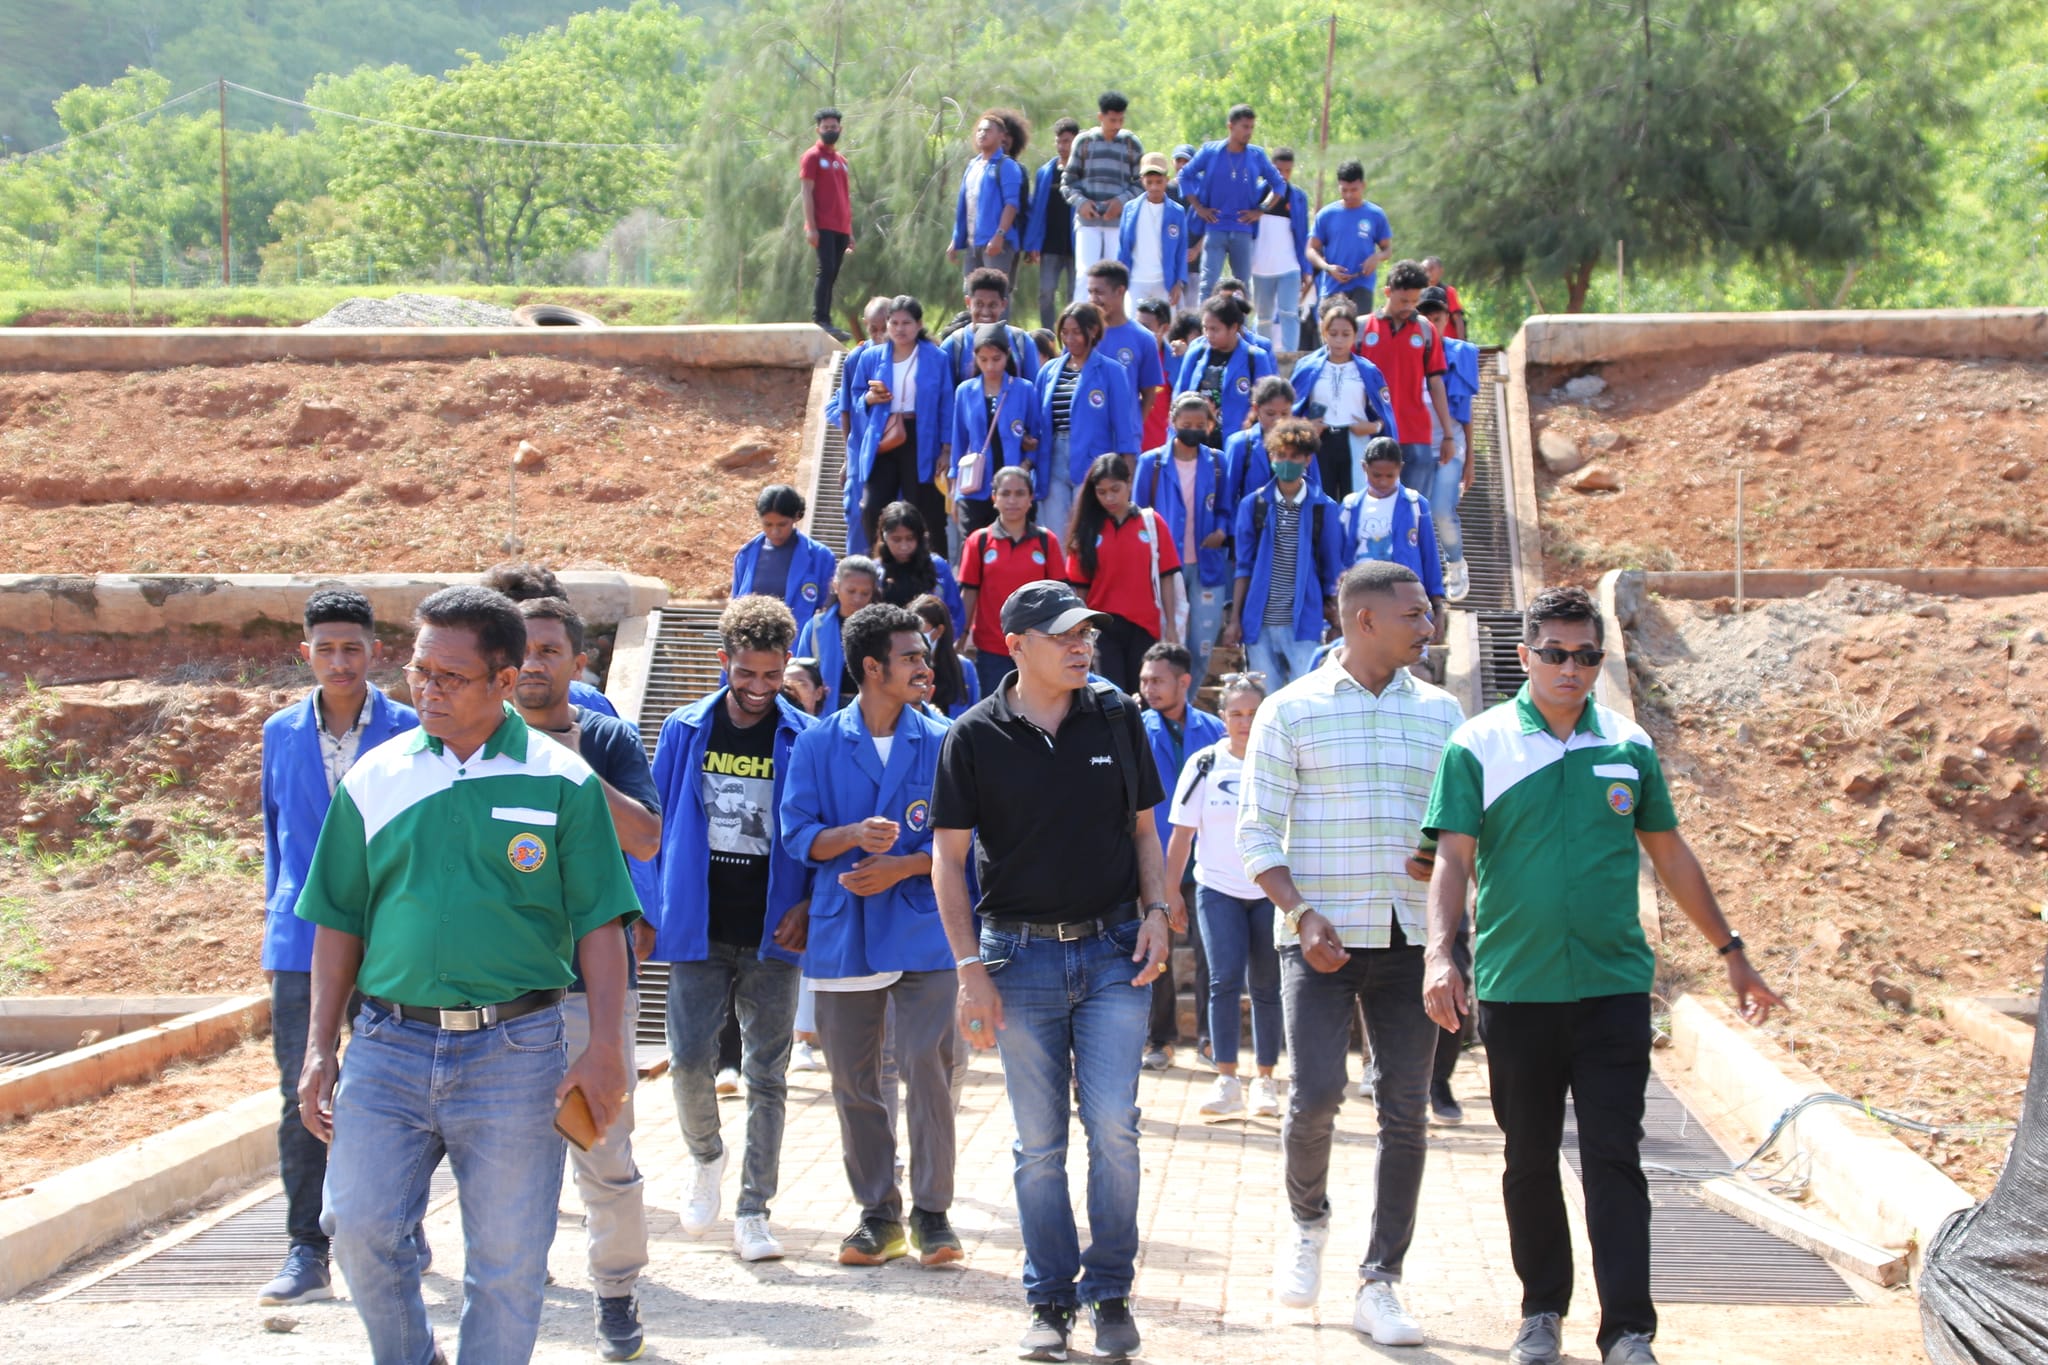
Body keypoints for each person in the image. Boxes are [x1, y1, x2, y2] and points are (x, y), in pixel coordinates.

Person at [1421, 587, 1785, 1365]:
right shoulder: (1478, 744)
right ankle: (1541, 1310)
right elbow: (1452, 858)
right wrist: (1439, 953)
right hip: (1517, 988)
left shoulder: (1628, 746)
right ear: (1524, 655)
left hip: (1614, 988)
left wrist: (1731, 950)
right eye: (1555, 652)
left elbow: (1671, 854)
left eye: (1587, 655)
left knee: (1615, 1158)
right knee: (1528, 1158)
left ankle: (1627, 1328)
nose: (1572, 668)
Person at [295, 586, 638, 1365]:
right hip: (387, 1046)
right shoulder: (374, 780)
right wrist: (320, 1045)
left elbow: (600, 926)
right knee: (358, 1226)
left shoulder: (565, 781)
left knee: (510, 1262)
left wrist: (606, 1048)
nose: (428, 689)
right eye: (420, 671)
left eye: (451, 676)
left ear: (506, 681)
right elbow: (338, 920)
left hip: (517, 1052)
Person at [931, 580, 1172, 1364]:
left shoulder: (1116, 715)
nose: (1083, 645)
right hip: (1017, 957)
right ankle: (1048, 1297)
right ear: (1019, 644)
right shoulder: (972, 735)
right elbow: (948, 857)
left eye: (1088, 633)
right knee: (1038, 1143)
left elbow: (1145, 828)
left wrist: (1160, 912)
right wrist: (970, 966)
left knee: (1114, 1129)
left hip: (1112, 951)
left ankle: (1111, 1292)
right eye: (1066, 633)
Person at [1237, 559, 1462, 1349]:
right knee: (1317, 1094)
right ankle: (1307, 1222)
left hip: (1410, 944)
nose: (1428, 626)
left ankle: (1381, 1279)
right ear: (1363, 620)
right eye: (1415, 614)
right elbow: (1256, 831)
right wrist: (1299, 913)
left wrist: (1445, 866)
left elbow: (1458, 829)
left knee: (1406, 1110)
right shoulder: (1289, 711)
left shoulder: (1442, 713)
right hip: (1318, 940)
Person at [780, 602, 965, 1268]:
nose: (925, 664)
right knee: (854, 1081)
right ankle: (878, 1214)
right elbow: (797, 835)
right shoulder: (818, 743)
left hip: (923, 927)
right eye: (911, 656)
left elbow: (965, 846)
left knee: (928, 1066)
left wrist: (905, 864)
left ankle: (934, 1212)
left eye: (925, 654)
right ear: (871, 667)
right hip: (846, 929)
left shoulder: (945, 739)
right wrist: (854, 837)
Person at [510, 595, 664, 1359]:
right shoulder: (473, 741)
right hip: (494, 988)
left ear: (578, 663)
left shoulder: (605, 738)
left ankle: (616, 1289)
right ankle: (510, 1285)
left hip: (586, 986)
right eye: (522, 650)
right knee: (507, 1149)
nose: (532, 663)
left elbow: (646, 834)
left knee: (599, 1141)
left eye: (547, 650)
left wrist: (566, 767)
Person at [257, 590, 418, 1309]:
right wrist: (274, 924)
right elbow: (277, 836)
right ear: (306, 655)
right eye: (326, 649)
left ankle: (401, 1230)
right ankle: (306, 1246)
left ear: (374, 651)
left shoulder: (412, 728)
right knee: (306, 1086)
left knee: (405, 1090)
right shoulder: (279, 733)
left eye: (352, 647)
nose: (340, 660)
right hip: (301, 937)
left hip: (392, 936)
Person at [648, 596, 815, 1265]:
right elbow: (651, 826)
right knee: (688, 1060)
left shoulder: (806, 735)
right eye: (745, 673)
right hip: (699, 924)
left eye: (771, 676)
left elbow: (818, 828)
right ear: (725, 662)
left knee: (766, 1074)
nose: (756, 689)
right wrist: (644, 908)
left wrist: (807, 902)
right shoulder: (684, 728)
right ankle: (706, 1156)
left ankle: (754, 1208)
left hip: (776, 929)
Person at [1166, 671, 1280, 1119]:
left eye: (1253, 713)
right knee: (1223, 981)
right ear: (1222, 716)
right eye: (1236, 713)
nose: (1245, 721)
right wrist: (1169, 892)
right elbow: (1180, 836)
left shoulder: (1280, 761)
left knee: (1269, 986)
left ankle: (1267, 1081)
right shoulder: (1204, 764)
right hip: (1217, 890)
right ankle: (1227, 1077)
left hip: (1271, 891)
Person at [1135, 642, 1222, 1072]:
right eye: (1144, 680)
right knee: (1157, 951)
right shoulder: (1134, 729)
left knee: (1211, 953)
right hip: (1153, 860)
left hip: (1208, 861)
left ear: (1184, 682)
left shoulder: (1216, 730)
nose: (1148, 688)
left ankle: (1210, 1040)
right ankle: (1160, 1039)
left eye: (1157, 680)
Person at [1225, 418, 1344, 689]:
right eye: (1280, 455)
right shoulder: (1253, 505)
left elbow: (1331, 567)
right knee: (1268, 700)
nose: (1286, 462)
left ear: (1308, 459)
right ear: (1270, 455)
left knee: (1307, 696)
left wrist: (1335, 616)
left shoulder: (1323, 508)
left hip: (1305, 622)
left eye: (1294, 456)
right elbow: (1243, 567)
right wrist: (1235, 620)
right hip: (1259, 622)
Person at [1133, 393, 1231, 686]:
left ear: (1209, 426)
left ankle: (1184, 704)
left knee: (1201, 646)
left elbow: (1227, 507)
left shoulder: (1216, 462)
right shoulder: (1151, 463)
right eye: (1186, 423)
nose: (1193, 429)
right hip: (1163, 567)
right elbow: (1137, 513)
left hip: (1207, 566)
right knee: (1168, 644)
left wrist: (1222, 531)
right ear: (1173, 422)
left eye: (1200, 424)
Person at [1066, 452, 1184, 693]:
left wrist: (1171, 624)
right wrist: (1080, 629)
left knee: (1143, 694)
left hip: (1145, 626)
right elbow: (1079, 589)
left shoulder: (1151, 522)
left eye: (1115, 489)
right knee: (1112, 694)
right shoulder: (1087, 529)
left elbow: (1167, 577)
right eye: (1101, 491)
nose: (1109, 497)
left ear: (1129, 484)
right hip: (1102, 627)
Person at [849, 295, 953, 549]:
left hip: (921, 436)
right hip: (883, 437)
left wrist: (947, 449)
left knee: (924, 507)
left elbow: (947, 405)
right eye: (894, 323)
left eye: (906, 323)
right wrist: (869, 398)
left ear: (918, 325)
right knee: (873, 506)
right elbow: (855, 395)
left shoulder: (936, 358)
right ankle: (878, 564)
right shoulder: (871, 357)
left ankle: (929, 568)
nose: (899, 329)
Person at [1033, 300, 1141, 542]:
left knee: (1090, 535)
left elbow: (1125, 428)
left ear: (1092, 331)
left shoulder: (1111, 371)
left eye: (1076, 332)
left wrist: (1128, 472)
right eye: (1065, 333)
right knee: (1057, 533)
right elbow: (1038, 419)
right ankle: (1060, 581)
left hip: (1093, 461)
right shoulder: (1049, 371)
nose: (1069, 339)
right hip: (1052, 461)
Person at [958, 465, 1068, 697]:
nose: (1012, 500)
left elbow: (1060, 597)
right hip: (992, 649)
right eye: (1005, 494)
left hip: (1039, 647)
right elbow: (969, 594)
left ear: (1030, 498)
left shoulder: (1046, 540)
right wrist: (961, 636)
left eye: (1019, 493)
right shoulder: (979, 541)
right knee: (998, 716)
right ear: (994, 498)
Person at [1362, 260, 1458, 515]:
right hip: (1371, 433)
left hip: (1415, 436)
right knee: (1372, 512)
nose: (1409, 307)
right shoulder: (1361, 329)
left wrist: (1448, 435)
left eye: (1414, 301)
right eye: (1403, 301)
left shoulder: (1426, 331)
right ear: (1387, 292)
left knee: (1414, 513)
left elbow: (1436, 383)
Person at [480, 562, 620, 719]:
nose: (530, 665)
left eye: (547, 650)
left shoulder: (592, 711)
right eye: (518, 646)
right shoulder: (459, 717)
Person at [1180, 106, 1288, 303]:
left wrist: (1261, 209)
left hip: (1242, 229)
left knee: (1242, 285)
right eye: (1245, 127)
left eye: (1252, 127)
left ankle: (1242, 330)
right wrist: (1198, 207)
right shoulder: (1210, 152)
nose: (1249, 132)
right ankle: (1203, 327)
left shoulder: (1256, 155)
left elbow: (1279, 183)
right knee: (1208, 283)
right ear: (1231, 126)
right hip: (1215, 227)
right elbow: (1185, 175)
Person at [1288, 301, 1392, 500]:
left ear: (1355, 335)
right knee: (1318, 500)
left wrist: (1373, 427)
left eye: (1346, 334)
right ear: (1324, 333)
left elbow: (1386, 414)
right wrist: (1305, 427)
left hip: (1356, 441)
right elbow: (1290, 410)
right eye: (1333, 334)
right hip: (1318, 442)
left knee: (1354, 501)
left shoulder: (1368, 371)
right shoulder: (1307, 367)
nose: (1339, 341)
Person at [950, 320, 1043, 540]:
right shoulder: (965, 391)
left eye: (996, 359)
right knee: (973, 545)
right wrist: (955, 490)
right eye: (983, 360)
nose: (990, 366)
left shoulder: (1024, 389)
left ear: (1008, 354)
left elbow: (1038, 434)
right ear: (975, 358)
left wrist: (1026, 464)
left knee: (1016, 545)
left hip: (1013, 485)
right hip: (975, 485)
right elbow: (959, 441)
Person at [1417, 285, 1478, 602]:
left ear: (1445, 319)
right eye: (1425, 317)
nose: (1431, 323)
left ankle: (1456, 565)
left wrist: (1470, 461)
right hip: (1415, 447)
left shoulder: (1460, 353)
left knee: (1442, 509)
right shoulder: (1409, 351)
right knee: (1418, 514)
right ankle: (1425, 576)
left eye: (1437, 317)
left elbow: (1465, 412)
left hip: (1450, 446)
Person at [1339, 438, 1447, 614]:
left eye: (1390, 475)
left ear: (1400, 468)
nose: (1383, 482)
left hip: (1405, 602)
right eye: (1376, 475)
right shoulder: (1349, 507)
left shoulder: (1416, 504)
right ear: (1364, 468)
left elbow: (1430, 556)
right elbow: (1339, 558)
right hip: (1363, 601)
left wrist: (1437, 606)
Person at [1062, 92, 1144, 300]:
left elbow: (1141, 183)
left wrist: (1121, 201)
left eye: (1121, 120)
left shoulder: (1131, 144)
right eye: (1112, 120)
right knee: (1085, 275)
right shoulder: (1084, 142)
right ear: (1101, 117)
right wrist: (1081, 203)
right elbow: (1068, 181)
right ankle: (1080, 321)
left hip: (1117, 222)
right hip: (1088, 221)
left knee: (1115, 275)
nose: (1117, 125)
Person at [1174, 295, 1278, 453]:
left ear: (1234, 327)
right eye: (1205, 328)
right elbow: (1179, 397)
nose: (1209, 335)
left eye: (1215, 329)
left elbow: (1267, 405)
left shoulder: (1255, 358)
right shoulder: (1196, 354)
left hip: (1238, 448)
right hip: (1197, 445)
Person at [1085, 260, 1169, 440]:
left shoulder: (1143, 339)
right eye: (1090, 292)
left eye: (1099, 292)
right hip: (1086, 437)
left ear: (1120, 291)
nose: (1093, 299)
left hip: (1123, 440)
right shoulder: (1081, 335)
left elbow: (1149, 394)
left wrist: (1131, 427)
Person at [731, 484, 836, 622]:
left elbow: (827, 611)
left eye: (782, 525)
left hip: (799, 641)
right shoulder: (745, 556)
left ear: (796, 517)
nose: (775, 532)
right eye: (768, 524)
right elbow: (735, 610)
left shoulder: (821, 557)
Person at [795, 555, 881, 714]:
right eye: (851, 591)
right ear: (836, 586)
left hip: (871, 712)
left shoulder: (882, 629)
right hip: (823, 712)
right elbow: (800, 675)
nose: (857, 598)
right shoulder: (816, 626)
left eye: (865, 593)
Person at [950, 112, 1027, 290]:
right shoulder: (972, 166)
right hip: (972, 242)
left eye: (988, 130)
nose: (982, 134)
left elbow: (1012, 204)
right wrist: (956, 240)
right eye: (980, 130)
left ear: (1002, 136)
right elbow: (964, 205)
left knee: (996, 294)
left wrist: (999, 235)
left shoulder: (1007, 166)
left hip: (996, 243)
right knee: (970, 294)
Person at [1248, 147, 1313, 351]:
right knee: (1264, 317)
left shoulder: (1298, 198)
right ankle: (1263, 354)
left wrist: (1306, 269)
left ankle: (1290, 357)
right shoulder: (1255, 194)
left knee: (1289, 313)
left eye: (1287, 171)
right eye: (1278, 170)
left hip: (1289, 266)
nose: (1283, 175)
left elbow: (1302, 235)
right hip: (1261, 267)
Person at [1307, 162, 1392, 316]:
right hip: (1333, 286)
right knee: (1331, 334)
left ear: (1363, 185)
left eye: (1354, 190)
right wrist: (1327, 267)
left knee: (1358, 333)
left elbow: (1387, 249)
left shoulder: (1375, 214)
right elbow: (1311, 249)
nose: (1349, 195)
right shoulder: (1326, 215)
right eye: (1344, 190)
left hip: (1362, 284)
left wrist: (1376, 258)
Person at [872, 500, 966, 637]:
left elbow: (955, 613)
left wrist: (942, 647)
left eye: (910, 538)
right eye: (896, 539)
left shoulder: (938, 567)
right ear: (884, 538)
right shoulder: (876, 572)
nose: (904, 546)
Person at [800, 107, 855, 339]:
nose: (830, 131)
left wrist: (849, 231)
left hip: (840, 227)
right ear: (818, 130)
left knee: (833, 273)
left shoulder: (841, 161)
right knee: (826, 270)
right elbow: (806, 192)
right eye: (826, 128)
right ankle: (820, 319)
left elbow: (844, 195)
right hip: (822, 225)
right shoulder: (812, 157)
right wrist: (811, 226)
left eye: (834, 128)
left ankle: (828, 319)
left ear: (840, 129)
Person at [1022, 118, 1081, 328]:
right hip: (1050, 244)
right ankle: (1047, 334)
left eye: (1067, 141)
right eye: (1059, 141)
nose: (1062, 147)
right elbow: (1037, 210)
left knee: (1074, 296)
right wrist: (1032, 244)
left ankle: (1071, 336)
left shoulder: (1084, 172)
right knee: (1046, 292)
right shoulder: (1045, 172)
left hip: (1077, 244)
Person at [941, 269, 1040, 386]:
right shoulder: (954, 345)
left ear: (1003, 305)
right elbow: (946, 397)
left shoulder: (1021, 342)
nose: (985, 312)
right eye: (979, 304)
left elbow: (1034, 391)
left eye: (993, 305)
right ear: (968, 302)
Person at [1117, 153, 1191, 308]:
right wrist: (1120, 280)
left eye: (1159, 181)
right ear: (1142, 181)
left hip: (1165, 282)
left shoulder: (1177, 211)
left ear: (1167, 179)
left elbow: (1181, 249)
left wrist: (1179, 282)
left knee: (1165, 329)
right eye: (1149, 182)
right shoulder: (1130, 209)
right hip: (1136, 280)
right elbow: (1123, 248)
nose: (1154, 187)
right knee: (1136, 326)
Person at [1222, 376, 1306, 511]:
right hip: (1251, 527)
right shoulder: (1239, 444)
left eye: (1284, 413)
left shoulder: (1302, 444)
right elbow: (1227, 498)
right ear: (1256, 409)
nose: (1278, 420)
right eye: (1270, 413)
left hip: (1292, 525)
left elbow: (1315, 491)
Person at [911, 593, 981, 719]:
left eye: (921, 630)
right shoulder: (904, 668)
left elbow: (974, 713)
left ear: (939, 630)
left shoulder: (964, 668)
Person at [1132, 297, 1175, 450]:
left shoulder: (1176, 363)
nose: (1138, 332)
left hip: (1161, 454)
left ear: (1164, 328)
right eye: (1135, 326)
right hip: (1130, 449)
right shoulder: (1126, 360)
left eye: (1145, 327)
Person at [1422, 257, 1466, 340]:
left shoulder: (1448, 292)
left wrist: (1462, 343)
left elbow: (1458, 319)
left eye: (1431, 269)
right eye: (1425, 270)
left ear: (1441, 270)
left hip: (1448, 343)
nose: (1428, 273)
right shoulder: (1418, 293)